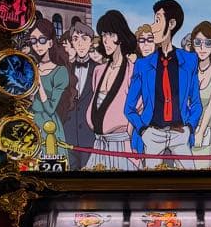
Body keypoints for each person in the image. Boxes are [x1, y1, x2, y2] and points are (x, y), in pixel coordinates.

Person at [124, 0, 201, 167]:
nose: (153, 27)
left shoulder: (189, 60)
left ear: (171, 24)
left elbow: (196, 103)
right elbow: (129, 107)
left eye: (158, 20)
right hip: (152, 134)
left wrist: (189, 128)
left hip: (180, 133)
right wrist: (143, 130)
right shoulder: (143, 65)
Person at [85, 9, 137, 170]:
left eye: (110, 34)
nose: (106, 40)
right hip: (98, 145)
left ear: (120, 36)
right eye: (103, 35)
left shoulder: (132, 71)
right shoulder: (98, 71)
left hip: (122, 146)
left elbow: (138, 109)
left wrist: (130, 136)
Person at [26, 17, 75, 149]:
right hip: (28, 124)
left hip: (49, 127)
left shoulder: (60, 71)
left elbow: (50, 108)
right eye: (33, 40)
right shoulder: (30, 66)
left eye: (42, 40)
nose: (37, 45)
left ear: (50, 43)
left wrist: (39, 84)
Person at [62, 21, 98, 169]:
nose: (80, 43)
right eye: (76, 39)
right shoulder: (64, 70)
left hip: (89, 135)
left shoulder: (99, 70)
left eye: (84, 38)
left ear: (91, 42)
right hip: (67, 134)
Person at [190, 21, 211, 169]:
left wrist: (200, 131)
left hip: (208, 126)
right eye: (198, 42)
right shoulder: (188, 70)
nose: (202, 47)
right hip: (189, 126)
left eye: (208, 43)